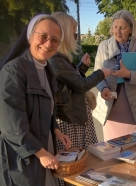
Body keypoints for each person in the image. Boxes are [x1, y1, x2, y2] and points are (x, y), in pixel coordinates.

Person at [0, 14, 71, 186]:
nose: (48, 44)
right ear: (30, 36)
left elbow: (47, 106)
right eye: (43, 36)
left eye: (55, 40)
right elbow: (12, 125)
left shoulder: (47, 70)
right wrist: (41, 153)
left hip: (43, 149)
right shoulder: (13, 72)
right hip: (22, 158)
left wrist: (55, 130)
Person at [49, 12, 110, 154]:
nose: (76, 39)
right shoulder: (56, 59)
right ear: (63, 35)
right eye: (74, 35)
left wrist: (82, 68)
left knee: (83, 160)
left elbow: (71, 82)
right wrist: (102, 73)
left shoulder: (61, 57)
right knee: (75, 161)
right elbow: (81, 85)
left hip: (75, 118)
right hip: (69, 122)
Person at [93, 10, 136, 141]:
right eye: (115, 27)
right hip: (110, 105)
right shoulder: (104, 47)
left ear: (131, 29)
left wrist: (128, 74)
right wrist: (103, 89)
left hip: (133, 107)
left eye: (122, 28)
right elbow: (96, 74)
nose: (117, 31)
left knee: (133, 145)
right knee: (111, 147)